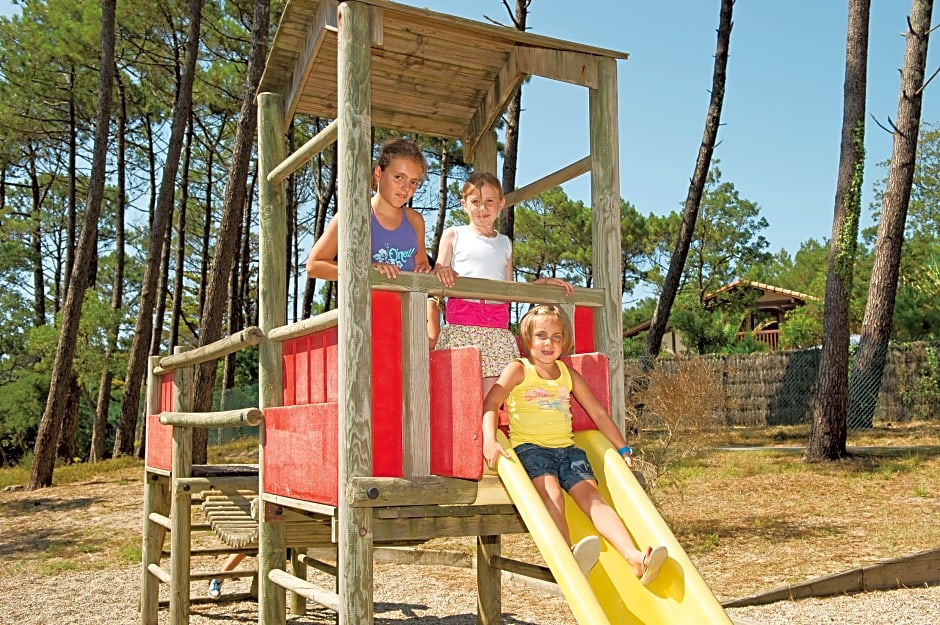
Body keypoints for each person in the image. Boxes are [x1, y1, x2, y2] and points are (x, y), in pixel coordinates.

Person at [482, 304, 667, 584]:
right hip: (532, 450)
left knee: (593, 499)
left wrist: (623, 448)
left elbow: (598, 413)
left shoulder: (568, 375)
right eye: (541, 335)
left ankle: (634, 557)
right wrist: (489, 440)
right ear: (527, 339)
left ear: (564, 341)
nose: (549, 343)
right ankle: (567, 556)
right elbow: (492, 402)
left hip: (568, 451)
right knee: (553, 495)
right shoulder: (519, 369)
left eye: (557, 337)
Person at [434, 171, 572, 397]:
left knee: (493, 399)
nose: (482, 208)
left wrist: (542, 283)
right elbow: (438, 270)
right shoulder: (454, 235)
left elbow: (509, 289)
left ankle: (490, 433)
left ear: (501, 204)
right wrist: (443, 269)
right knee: (460, 397)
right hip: (463, 325)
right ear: (464, 204)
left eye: (489, 201)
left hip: (496, 330)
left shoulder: (505, 243)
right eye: (475, 202)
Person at [306, 137, 455, 289]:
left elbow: (421, 264)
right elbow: (314, 266)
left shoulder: (415, 220)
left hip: (407, 310)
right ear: (378, 173)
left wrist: (426, 269)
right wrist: (368, 272)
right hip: (364, 309)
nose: (406, 188)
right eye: (398, 177)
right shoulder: (352, 216)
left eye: (414, 182)